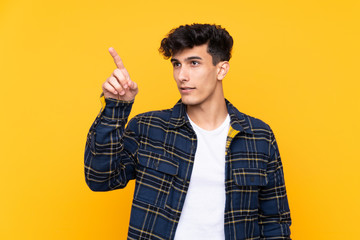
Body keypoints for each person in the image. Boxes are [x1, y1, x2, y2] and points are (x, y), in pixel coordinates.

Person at [84, 23, 291, 240]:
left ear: (221, 69)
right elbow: (100, 179)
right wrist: (116, 107)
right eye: (176, 64)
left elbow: (274, 221)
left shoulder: (259, 136)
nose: (181, 76)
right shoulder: (148, 128)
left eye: (193, 63)